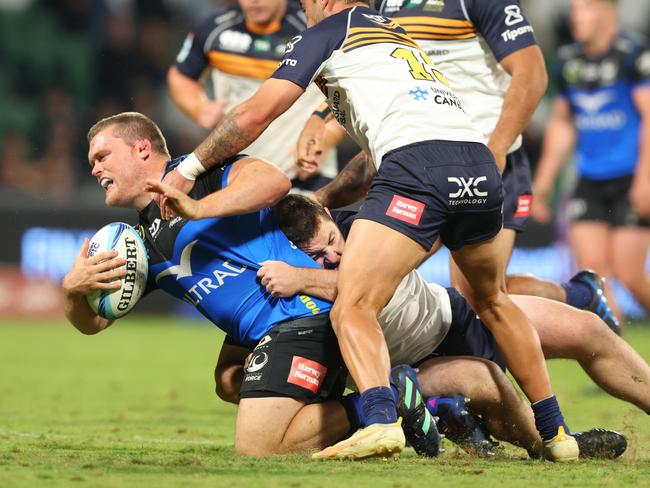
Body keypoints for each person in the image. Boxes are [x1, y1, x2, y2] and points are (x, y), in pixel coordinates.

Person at [158, 0, 578, 461]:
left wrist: (191, 168)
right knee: (493, 300)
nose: (304, 12)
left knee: (353, 306)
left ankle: (380, 419)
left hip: (418, 169)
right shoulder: (396, 34)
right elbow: (374, 156)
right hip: (477, 162)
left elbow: (256, 113)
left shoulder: (330, 31)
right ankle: (557, 433)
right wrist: (325, 197)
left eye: (304, 4)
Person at [62, 111, 441, 458]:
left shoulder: (200, 176)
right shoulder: (143, 243)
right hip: (272, 332)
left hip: (301, 315)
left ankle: (382, 397)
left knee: (258, 445)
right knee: (229, 381)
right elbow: (93, 323)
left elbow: (273, 181)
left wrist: (199, 207)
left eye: (102, 156)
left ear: (141, 149)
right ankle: (398, 401)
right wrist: (74, 290)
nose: (95, 169)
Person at [216, 194, 645, 458]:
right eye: (316, 256)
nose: (332, 255)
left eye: (331, 240)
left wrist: (303, 278)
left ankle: (451, 419)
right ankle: (551, 444)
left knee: (587, 330)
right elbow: (227, 375)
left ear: (331, 216)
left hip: (450, 317)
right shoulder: (271, 284)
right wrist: (250, 375)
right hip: (410, 372)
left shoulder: (362, 228)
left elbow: (365, 283)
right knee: (490, 382)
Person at [296, 0, 619, 332]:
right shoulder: (380, 5)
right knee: (390, 285)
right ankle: (579, 297)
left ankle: (575, 305)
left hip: (486, 159)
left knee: (477, 297)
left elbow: (532, 73)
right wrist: (322, 125)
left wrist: (498, 147)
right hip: (419, 157)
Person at [532, 0, 650, 322]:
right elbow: (562, 124)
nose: (575, 18)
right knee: (595, 277)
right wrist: (542, 185)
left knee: (629, 275)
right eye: (574, 11)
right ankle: (622, 363)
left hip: (631, 176)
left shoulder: (634, 55)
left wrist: (645, 180)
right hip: (589, 181)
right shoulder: (568, 61)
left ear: (607, 13)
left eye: (584, 10)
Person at [167, 0, 338, 190]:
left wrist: (327, 136)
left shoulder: (313, 27)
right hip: (237, 172)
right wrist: (199, 108)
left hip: (305, 172)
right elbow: (180, 76)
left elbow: (348, 92)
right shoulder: (214, 29)